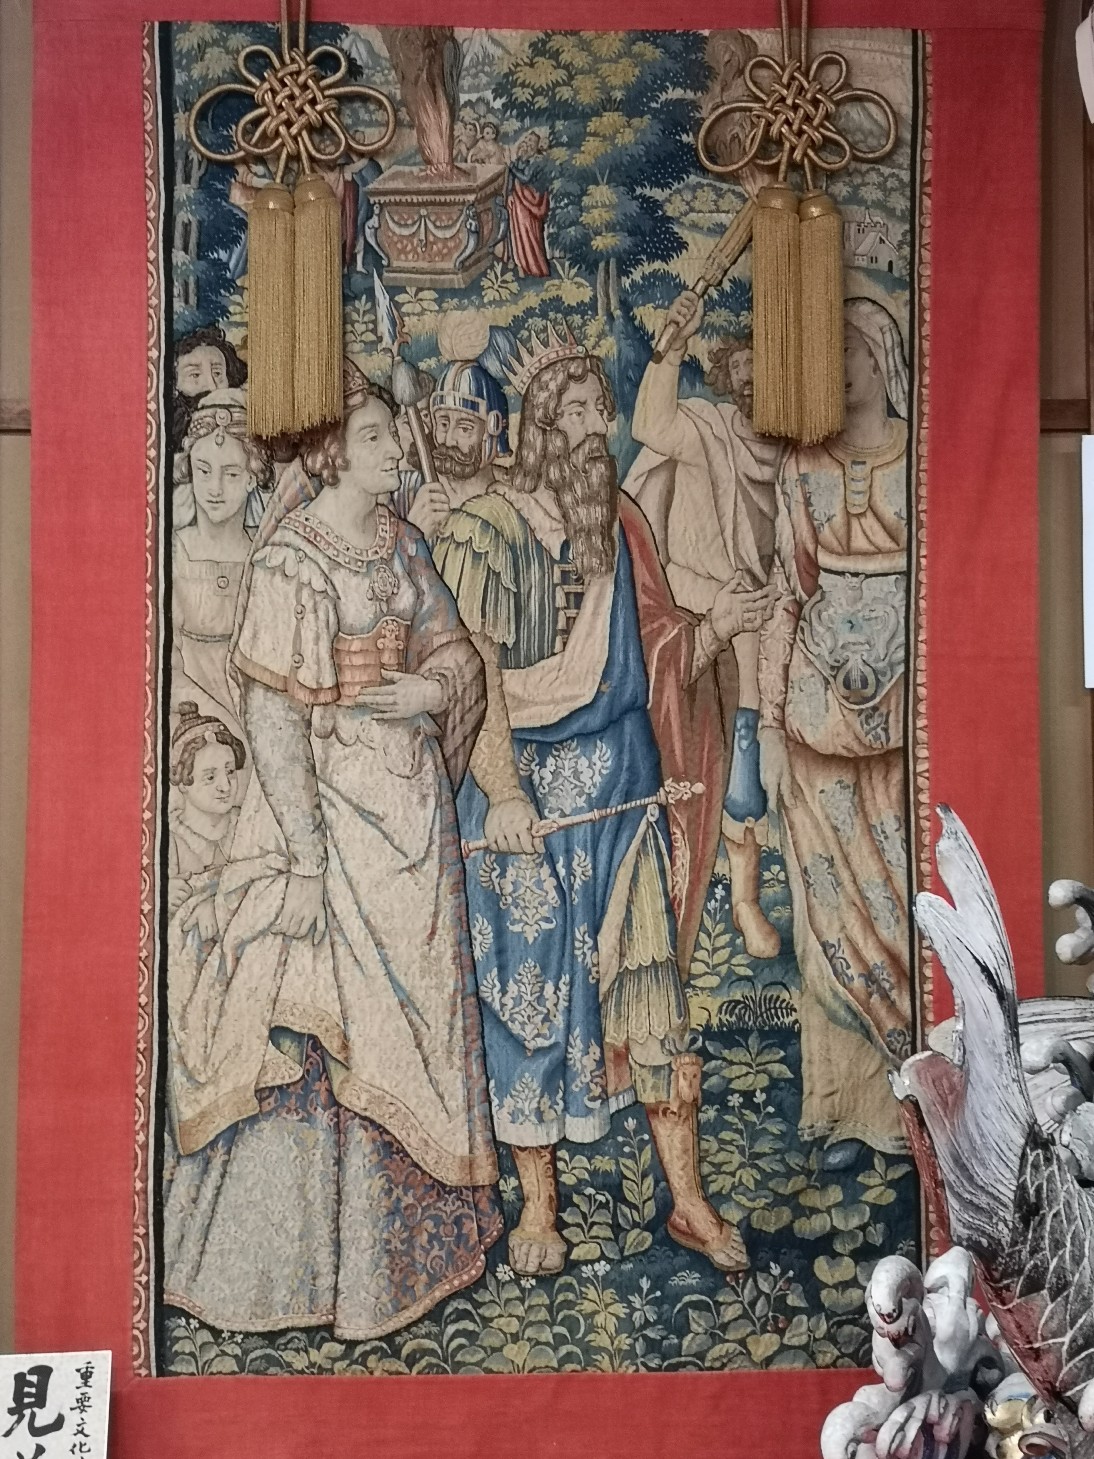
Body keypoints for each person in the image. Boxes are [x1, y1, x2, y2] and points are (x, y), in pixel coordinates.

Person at [162, 360, 500, 1339]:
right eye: (375, 438)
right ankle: (300, 1276)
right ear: (330, 454)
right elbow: (273, 721)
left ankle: (399, 1264)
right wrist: (306, 860)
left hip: (410, 820)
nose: (395, 450)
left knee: (411, 1028)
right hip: (322, 817)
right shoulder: (291, 561)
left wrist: (432, 690)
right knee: (321, 1028)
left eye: (393, 435)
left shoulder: (403, 544)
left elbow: (453, 651)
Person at [433, 327, 774, 1279]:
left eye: (600, 410)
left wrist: (716, 628)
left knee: (650, 991)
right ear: (538, 429)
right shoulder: (487, 530)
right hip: (524, 801)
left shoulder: (621, 525)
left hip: (621, 796)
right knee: (528, 997)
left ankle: (687, 1198)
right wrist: (503, 791)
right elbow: (476, 681)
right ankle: (540, 1203)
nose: (596, 430)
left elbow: (659, 646)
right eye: (575, 414)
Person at [759, 297, 911, 1168]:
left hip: (896, 726)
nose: (839, 362)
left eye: (850, 347)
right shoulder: (804, 467)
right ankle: (845, 1107)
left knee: (895, 909)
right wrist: (768, 724)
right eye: (830, 348)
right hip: (816, 722)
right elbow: (787, 594)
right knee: (830, 919)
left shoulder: (915, 460)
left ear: (883, 356)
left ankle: (907, 1107)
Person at [626, 291, 783, 959]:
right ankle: (668, 897)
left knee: (747, 768)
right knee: (686, 765)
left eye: (760, 372)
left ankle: (745, 898)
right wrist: (672, 346)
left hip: (762, 628)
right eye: (738, 372)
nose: (748, 384)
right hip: (693, 617)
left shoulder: (796, 456)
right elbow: (650, 424)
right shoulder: (707, 432)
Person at [171, 389, 268, 743]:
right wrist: (227, 728)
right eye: (204, 471)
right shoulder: (175, 553)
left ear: (252, 477)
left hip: (264, 723)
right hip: (199, 729)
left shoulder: (268, 553)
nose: (215, 488)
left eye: (230, 474)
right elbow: (166, 667)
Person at [394, 359, 511, 541]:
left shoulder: (514, 494)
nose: (448, 441)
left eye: (464, 429)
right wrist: (414, 532)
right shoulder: (404, 492)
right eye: (443, 424)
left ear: (492, 430)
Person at [166, 703, 244, 925]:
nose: (225, 786)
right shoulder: (172, 839)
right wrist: (164, 894)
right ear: (184, 782)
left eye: (230, 772)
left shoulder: (247, 823)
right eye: (210, 777)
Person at [506, 132, 550, 279]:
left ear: (537, 145)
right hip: (520, 199)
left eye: (532, 141)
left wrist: (511, 166)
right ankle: (523, 266)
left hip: (533, 200)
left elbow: (525, 178)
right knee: (518, 232)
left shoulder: (537, 160)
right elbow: (512, 177)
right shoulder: (522, 158)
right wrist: (510, 194)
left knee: (530, 232)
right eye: (527, 139)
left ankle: (536, 267)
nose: (528, 143)